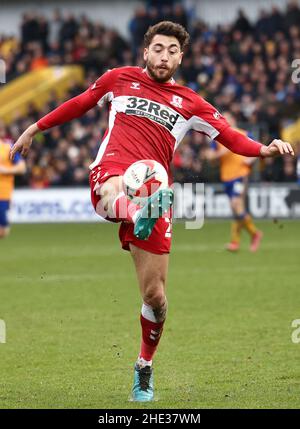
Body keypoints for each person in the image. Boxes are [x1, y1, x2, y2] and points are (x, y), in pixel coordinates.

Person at [10, 21, 294, 402]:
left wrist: (265, 148)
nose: (164, 56)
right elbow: (78, 103)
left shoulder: (191, 102)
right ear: (146, 51)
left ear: (181, 57)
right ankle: (133, 210)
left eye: (172, 51)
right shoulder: (118, 79)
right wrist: (35, 127)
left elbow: (230, 136)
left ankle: (144, 367)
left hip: (155, 191)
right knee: (110, 191)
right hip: (113, 171)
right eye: (157, 49)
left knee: (155, 297)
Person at [205, 111, 263, 252]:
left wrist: (251, 159)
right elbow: (211, 158)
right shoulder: (218, 139)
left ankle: (253, 235)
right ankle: (242, 239)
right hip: (227, 177)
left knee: (236, 204)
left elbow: (260, 148)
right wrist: (220, 153)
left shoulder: (243, 133)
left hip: (240, 175)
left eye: (227, 118)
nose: (225, 120)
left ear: (233, 119)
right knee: (237, 209)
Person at [0, 123, 26, 238]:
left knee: (3, 230)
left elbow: (22, 168)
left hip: (2, 193)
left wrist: (5, 170)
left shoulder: (7, 148)